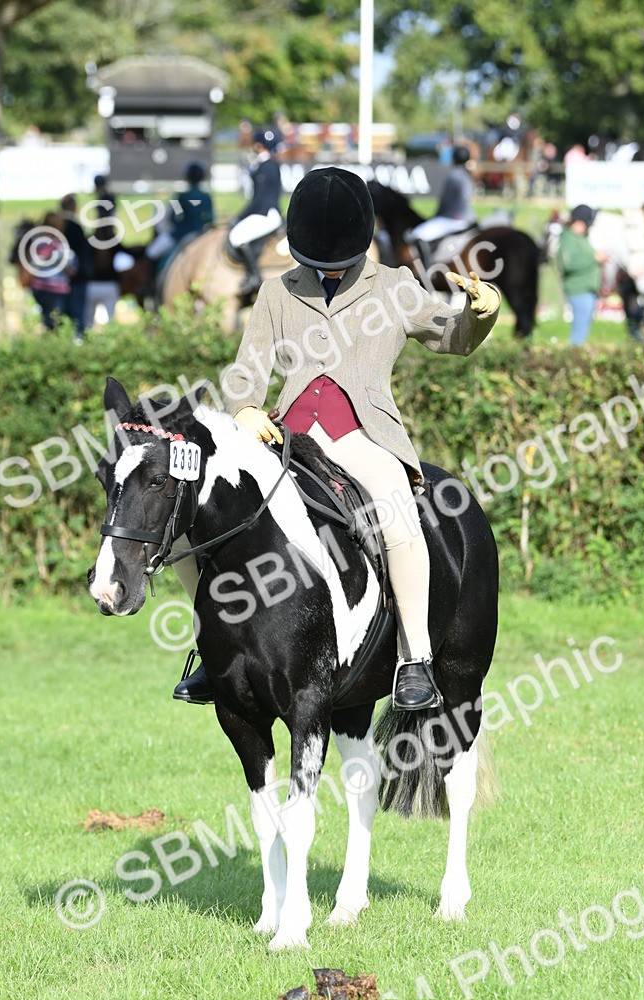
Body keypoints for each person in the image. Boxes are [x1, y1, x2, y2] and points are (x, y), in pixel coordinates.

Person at [174, 166, 500, 711]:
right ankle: (214, 645)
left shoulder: (394, 286)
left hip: (359, 436)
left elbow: (451, 336)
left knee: (397, 513)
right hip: (286, 437)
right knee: (194, 521)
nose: (325, 271)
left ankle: (415, 658)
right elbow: (245, 371)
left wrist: (478, 315)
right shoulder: (278, 292)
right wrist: (246, 407)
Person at [228, 127, 283, 295]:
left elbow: (258, 199)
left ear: (260, 145)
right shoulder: (272, 165)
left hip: (265, 214)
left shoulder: (265, 167)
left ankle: (254, 276)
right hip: (269, 212)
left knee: (236, 237)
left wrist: (239, 217)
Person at [409, 146, 476, 267]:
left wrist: (435, 216)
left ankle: (426, 270)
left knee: (418, 234)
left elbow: (445, 202)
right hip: (469, 217)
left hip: (453, 218)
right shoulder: (468, 174)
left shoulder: (453, 175)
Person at [146, 161, 214, 269]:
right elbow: (210, 219)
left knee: (151, 253)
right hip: (201, 234)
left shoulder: (182, 196)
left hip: (181, 234)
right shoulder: (207, 197)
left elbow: (173, 219)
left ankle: (153, 281)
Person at [558, 204, 607, 345]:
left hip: (587, 290)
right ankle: (574, 361)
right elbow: (568, 264)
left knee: (582, 332)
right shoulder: (569, 238)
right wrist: (594, 258)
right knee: (579, 335)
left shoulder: (580, 238)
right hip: (579, 290)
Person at [26, 212, 76, 330]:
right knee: (55, 322)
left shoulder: (37, 241)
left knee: (52, 320)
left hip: (42, 287)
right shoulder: (53, 244)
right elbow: (71, 266)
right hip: (52, 288)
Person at [60, 194, 93, 336]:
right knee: (77, 313)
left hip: (58, 279)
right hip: (77, 277)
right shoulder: (75, 227)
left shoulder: (59, 225)